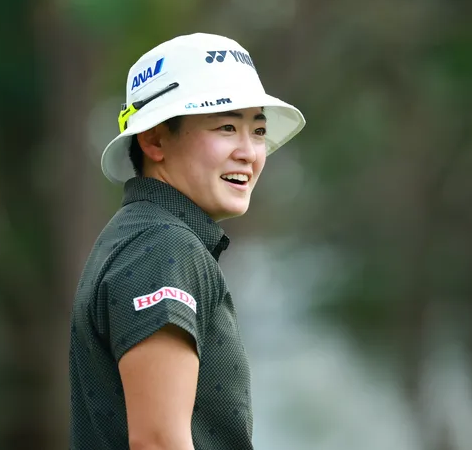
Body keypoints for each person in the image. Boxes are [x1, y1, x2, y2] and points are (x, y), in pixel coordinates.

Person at [69, 33, 306, 450]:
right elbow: (158, 441)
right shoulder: (163, 247)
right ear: (154, 140)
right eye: (227, 127)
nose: (250, 153)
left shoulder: (141, 236)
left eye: (258, 130)